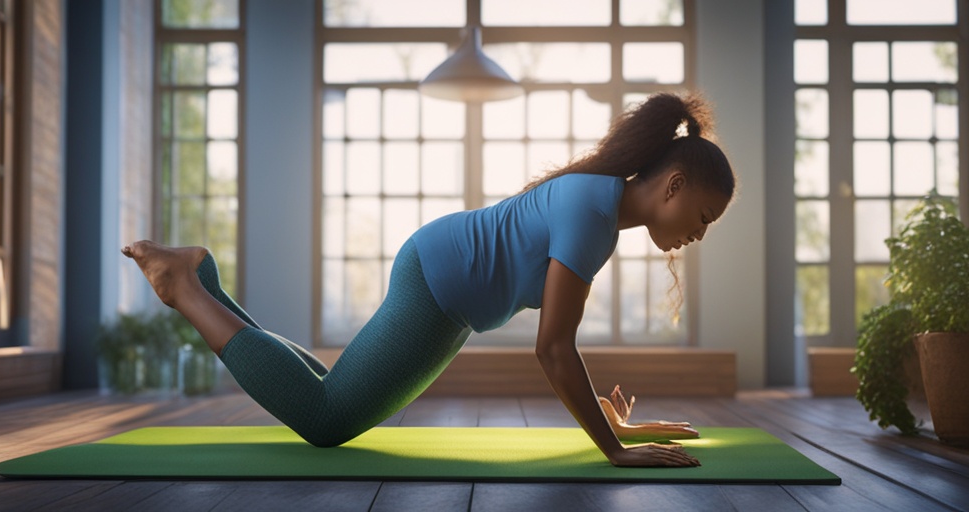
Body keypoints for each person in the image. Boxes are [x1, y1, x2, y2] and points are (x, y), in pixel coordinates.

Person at [122, 91, 735, 468]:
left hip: (445, 287)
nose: (698, 234)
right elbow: (552, 348)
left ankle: (203, 282)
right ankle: (184, 288)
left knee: (332, 392)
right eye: (703, 218)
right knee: (326, 420)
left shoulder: (600, 207)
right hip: (440, 287)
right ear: (674, 186)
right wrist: (614, 448)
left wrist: (608, 420)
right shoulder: (594, 215)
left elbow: (555, 340)